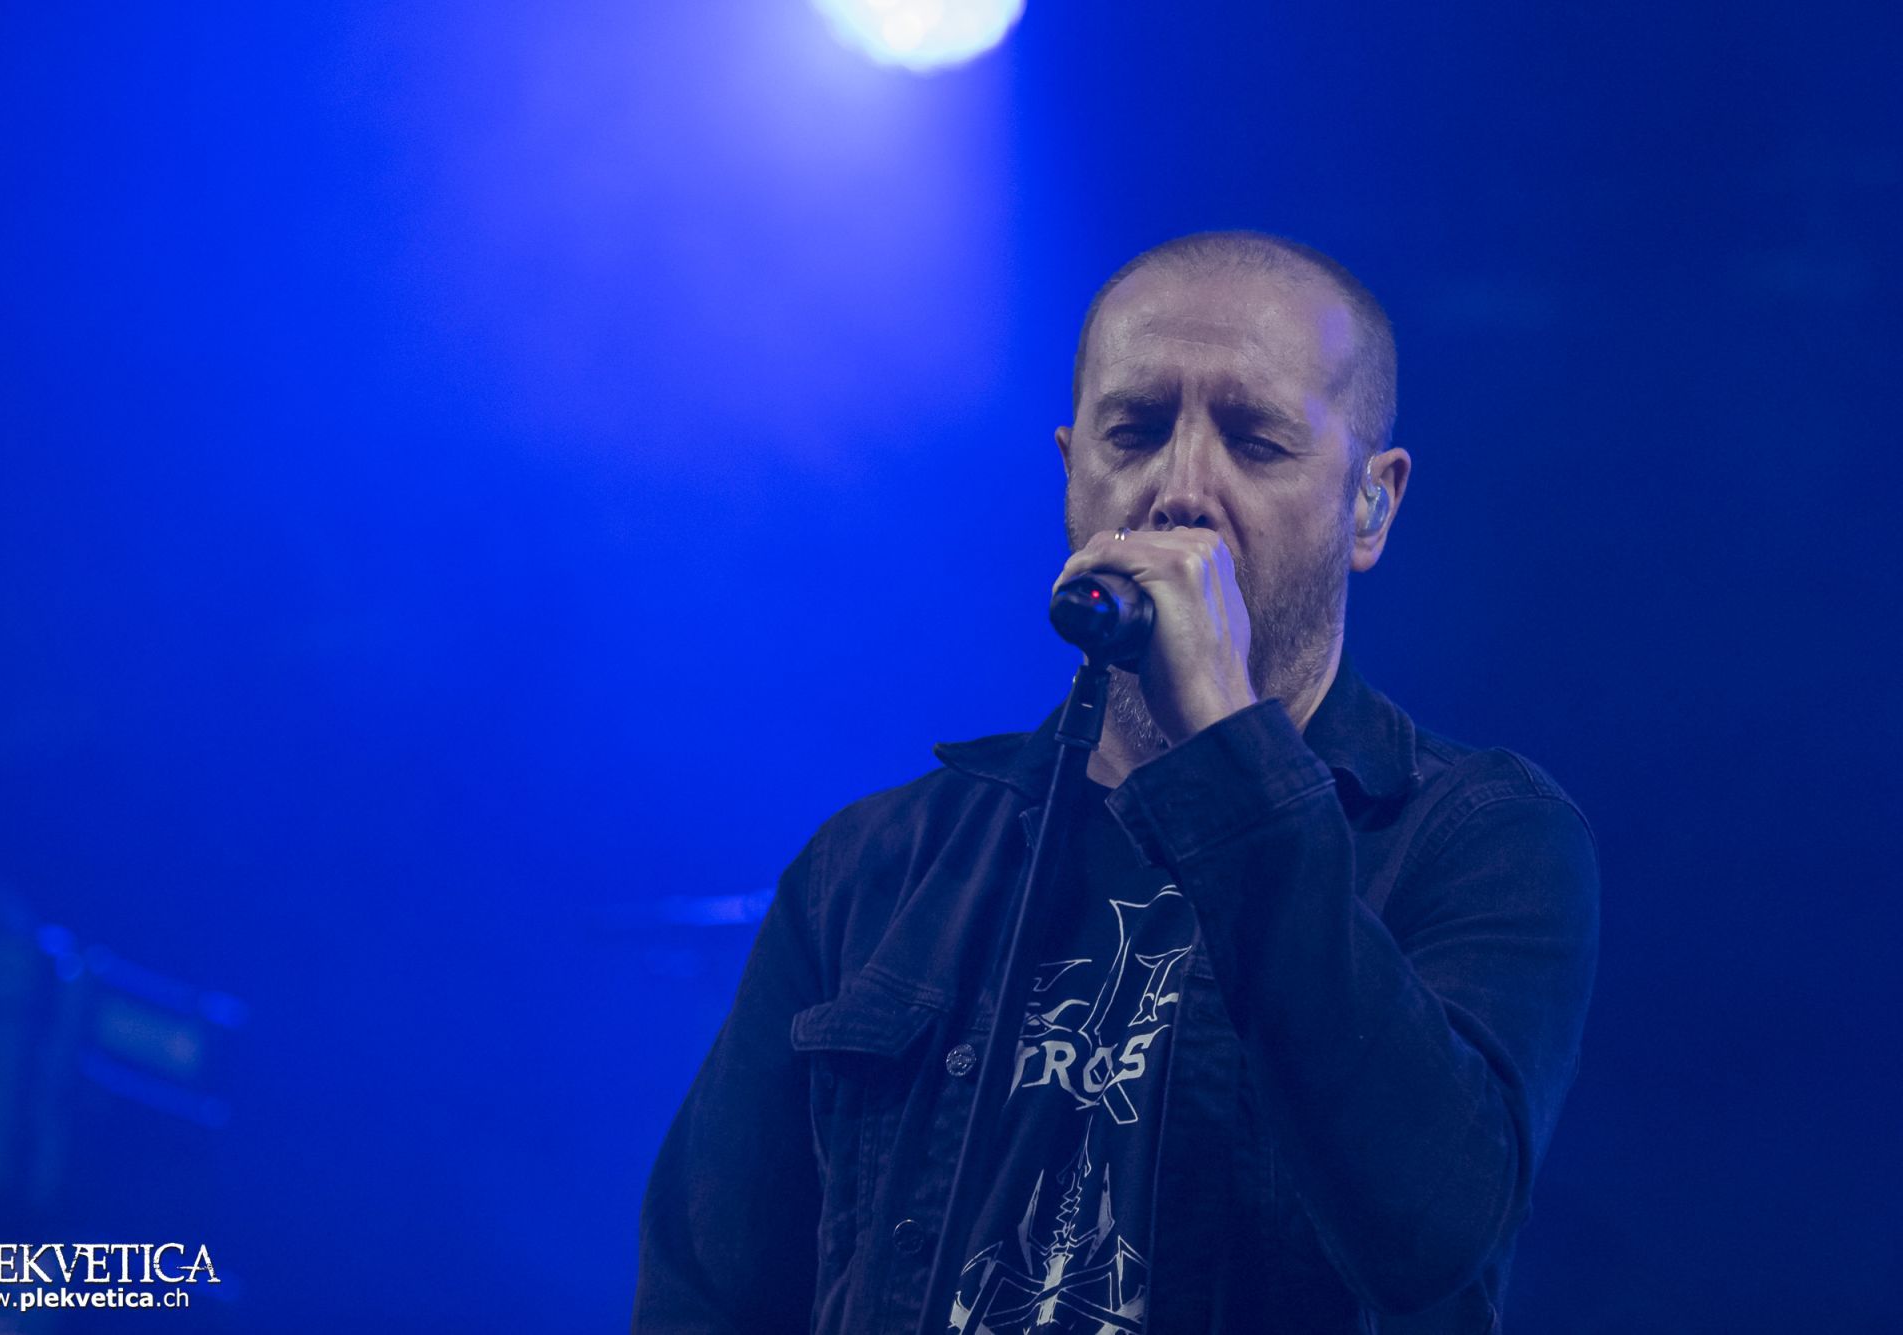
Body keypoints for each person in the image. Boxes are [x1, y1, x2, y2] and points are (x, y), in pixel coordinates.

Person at [633, 231, 1600, 1334]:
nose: (1178, 492)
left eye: (1255, 442)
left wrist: (1227, 745)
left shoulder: (1478, 838)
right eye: (1134, 433)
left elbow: (1429, 1232)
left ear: (1370, 505)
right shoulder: (874, 866)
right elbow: (704, 1291)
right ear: (1070, 470)